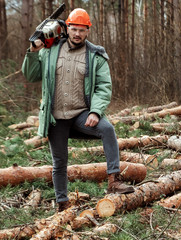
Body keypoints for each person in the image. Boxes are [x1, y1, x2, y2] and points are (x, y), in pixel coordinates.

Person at [22, 8, 135, 212]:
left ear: (88, 31)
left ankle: (114, 181)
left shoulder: (96, 54)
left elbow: (104, 87)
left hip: (81, 114)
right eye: (74, 29)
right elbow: (31, 76)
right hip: (55, 118)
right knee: (59, 162)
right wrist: (32, 51)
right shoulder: (50, 49)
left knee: (107, 129)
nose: (77, 34)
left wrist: (95, 111)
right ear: (67, 28)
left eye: (82, 30)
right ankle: (62, 204)